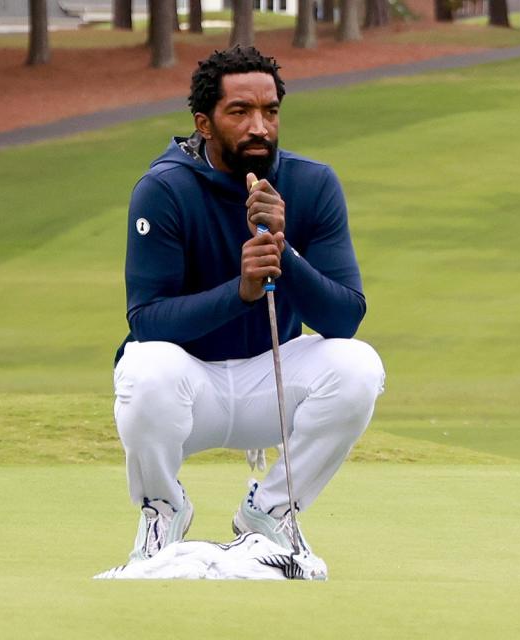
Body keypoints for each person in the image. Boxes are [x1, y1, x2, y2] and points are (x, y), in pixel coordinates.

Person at [114, 46, 385, 563]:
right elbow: (146, 320)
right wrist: (240, 290)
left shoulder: (312, 183)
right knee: (143, 367)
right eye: (240, 112)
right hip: (188, 387)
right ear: (205, 122)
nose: (259, 126)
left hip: (273, 382)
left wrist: (283, 251)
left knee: (359, 366)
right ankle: (163, 513)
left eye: (270, 111)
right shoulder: (163, 189)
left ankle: (271, 513)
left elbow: (344, 317)